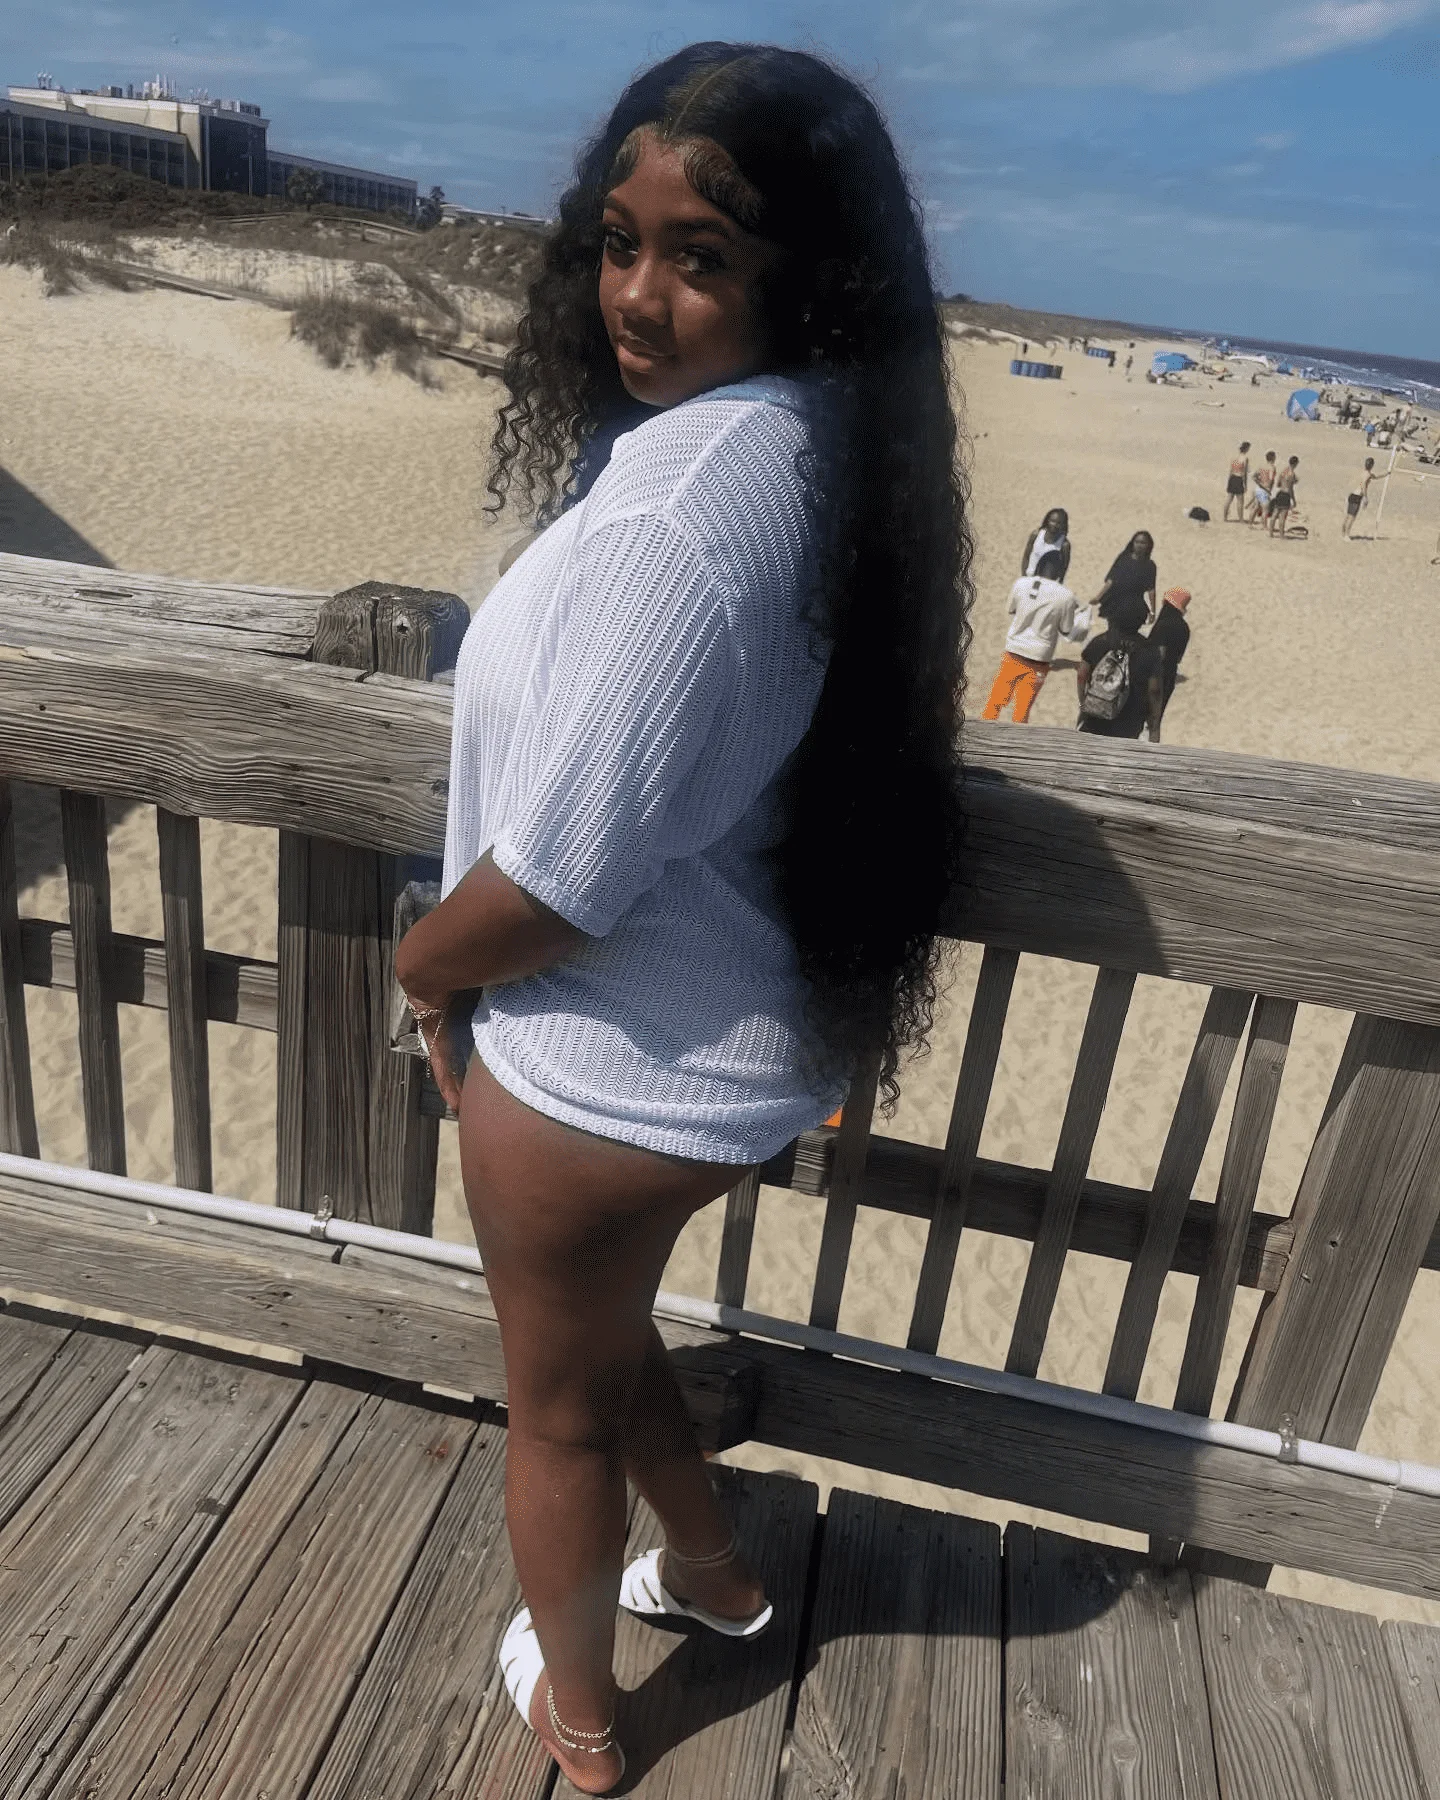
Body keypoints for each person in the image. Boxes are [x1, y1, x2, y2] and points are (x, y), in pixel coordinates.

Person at [391, 45, 968, 1795]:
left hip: (602, 1068)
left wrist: (419, 966)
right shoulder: (809, 439)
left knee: (554, 1415)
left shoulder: (676, 517)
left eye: (701, 257)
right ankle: (712, 1572)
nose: (637, 296)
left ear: (803, 276)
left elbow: (554, 886)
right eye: (618, 242)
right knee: (597, 1332)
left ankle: (581, 1727)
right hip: (719, 1045)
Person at [981, 550, 1085, 724]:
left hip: (1014, 652)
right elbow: (1066, 629)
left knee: (995, 703)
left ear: (1039, 565)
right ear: (1060, 572)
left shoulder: (1021, 583)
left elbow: (1011, 609)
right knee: (1021, 712)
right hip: (1039, 658)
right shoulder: (1066, 596)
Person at [1077, 589, 1164, 740]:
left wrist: (1083, 703)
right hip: (1129, 722)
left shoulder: (1098, 642)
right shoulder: (1150, 651)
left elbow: (1081, 676)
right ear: (1141, 620)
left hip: (1095, 716)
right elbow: (1154, 690)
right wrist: (1154, 724)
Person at [1092, 530, 1157, 622]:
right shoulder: (1123, 559)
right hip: (1116, 603)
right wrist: (1098, 597)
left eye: (1143, 543)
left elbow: (1151, 590)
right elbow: (1111, 580)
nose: (1139, 545)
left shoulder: (1150, 566)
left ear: (1148, 545)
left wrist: (1153, 611)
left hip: (1135, 605)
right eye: (1137, 542)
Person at [1146, 586, 1191, 717]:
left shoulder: (1163, 625)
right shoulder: (1185, 628)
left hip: (1153, 677)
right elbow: (1179, 658)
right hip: (1169, 677)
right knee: (1156, 719)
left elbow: (1159, 653)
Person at [1021, 506, 1071, 580]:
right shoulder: (1036, 535)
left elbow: (1064, 567)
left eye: (1059, 523)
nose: (1055, 525)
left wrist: (1059, 581)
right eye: (1052, 521)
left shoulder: (1064, 545)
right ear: (1047, 520)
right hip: (1029, 577)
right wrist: (1024, 576)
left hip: (1048, 582)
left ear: (1063, 524)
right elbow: (1026, 556)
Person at [1343, 456, 1376, 537]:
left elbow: (1376, 477)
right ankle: (1346, 534)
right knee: (1352, 517)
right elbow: (1364, 485)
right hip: (1357, 496)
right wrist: (1365, 497)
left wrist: (1386, 474)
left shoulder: (1364, 473)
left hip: (1353, 494)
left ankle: (1343, 532)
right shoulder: (1367, 475)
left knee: (1348, 515)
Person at [1270, 454, 1300, 538]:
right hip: (1286, 494)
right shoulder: (1292, 474)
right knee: (1282, 516)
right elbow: (1290, 489)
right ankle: (1281, 535)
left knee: (1275, 514)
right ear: (1295, 464)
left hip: (1280, 493)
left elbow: (1278, 484)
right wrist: (1294, 500)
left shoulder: (1284, 471)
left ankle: (1271, 533)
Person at [1223, 442, 1250, 522]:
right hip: (1239, 478)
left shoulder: (1234, 457)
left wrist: (1228, 481)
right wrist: (1245, 484)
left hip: (1232, 478)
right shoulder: (1245, 458)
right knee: (1240, 500)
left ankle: (1225, 517)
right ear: (1246, 449)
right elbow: (1244, 473)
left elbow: (1231, 470)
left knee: (1229, 498)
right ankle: (1241, 519)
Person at [1249, 450, 1277, 523]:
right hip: (1265, 489)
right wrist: (1268, 489)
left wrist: (1259, 483)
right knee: (1265, 509)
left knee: (1256, 507)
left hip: (1258, 488)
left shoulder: (1261, 466)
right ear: (1273, 458)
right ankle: (1264, 526)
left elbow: (1253, 476)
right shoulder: (1272, 467)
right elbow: (1271, 479)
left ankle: (1250, 523)